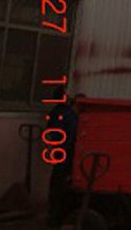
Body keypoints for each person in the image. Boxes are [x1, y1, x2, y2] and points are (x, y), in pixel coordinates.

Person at [45, 89, 81, 228]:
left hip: (62, 151)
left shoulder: (57, 113)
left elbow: (52, 134)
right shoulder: (69, 114)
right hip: (68, 151)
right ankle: (57, 216)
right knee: (62, 182)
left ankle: (55, 215)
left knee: (59, 182)